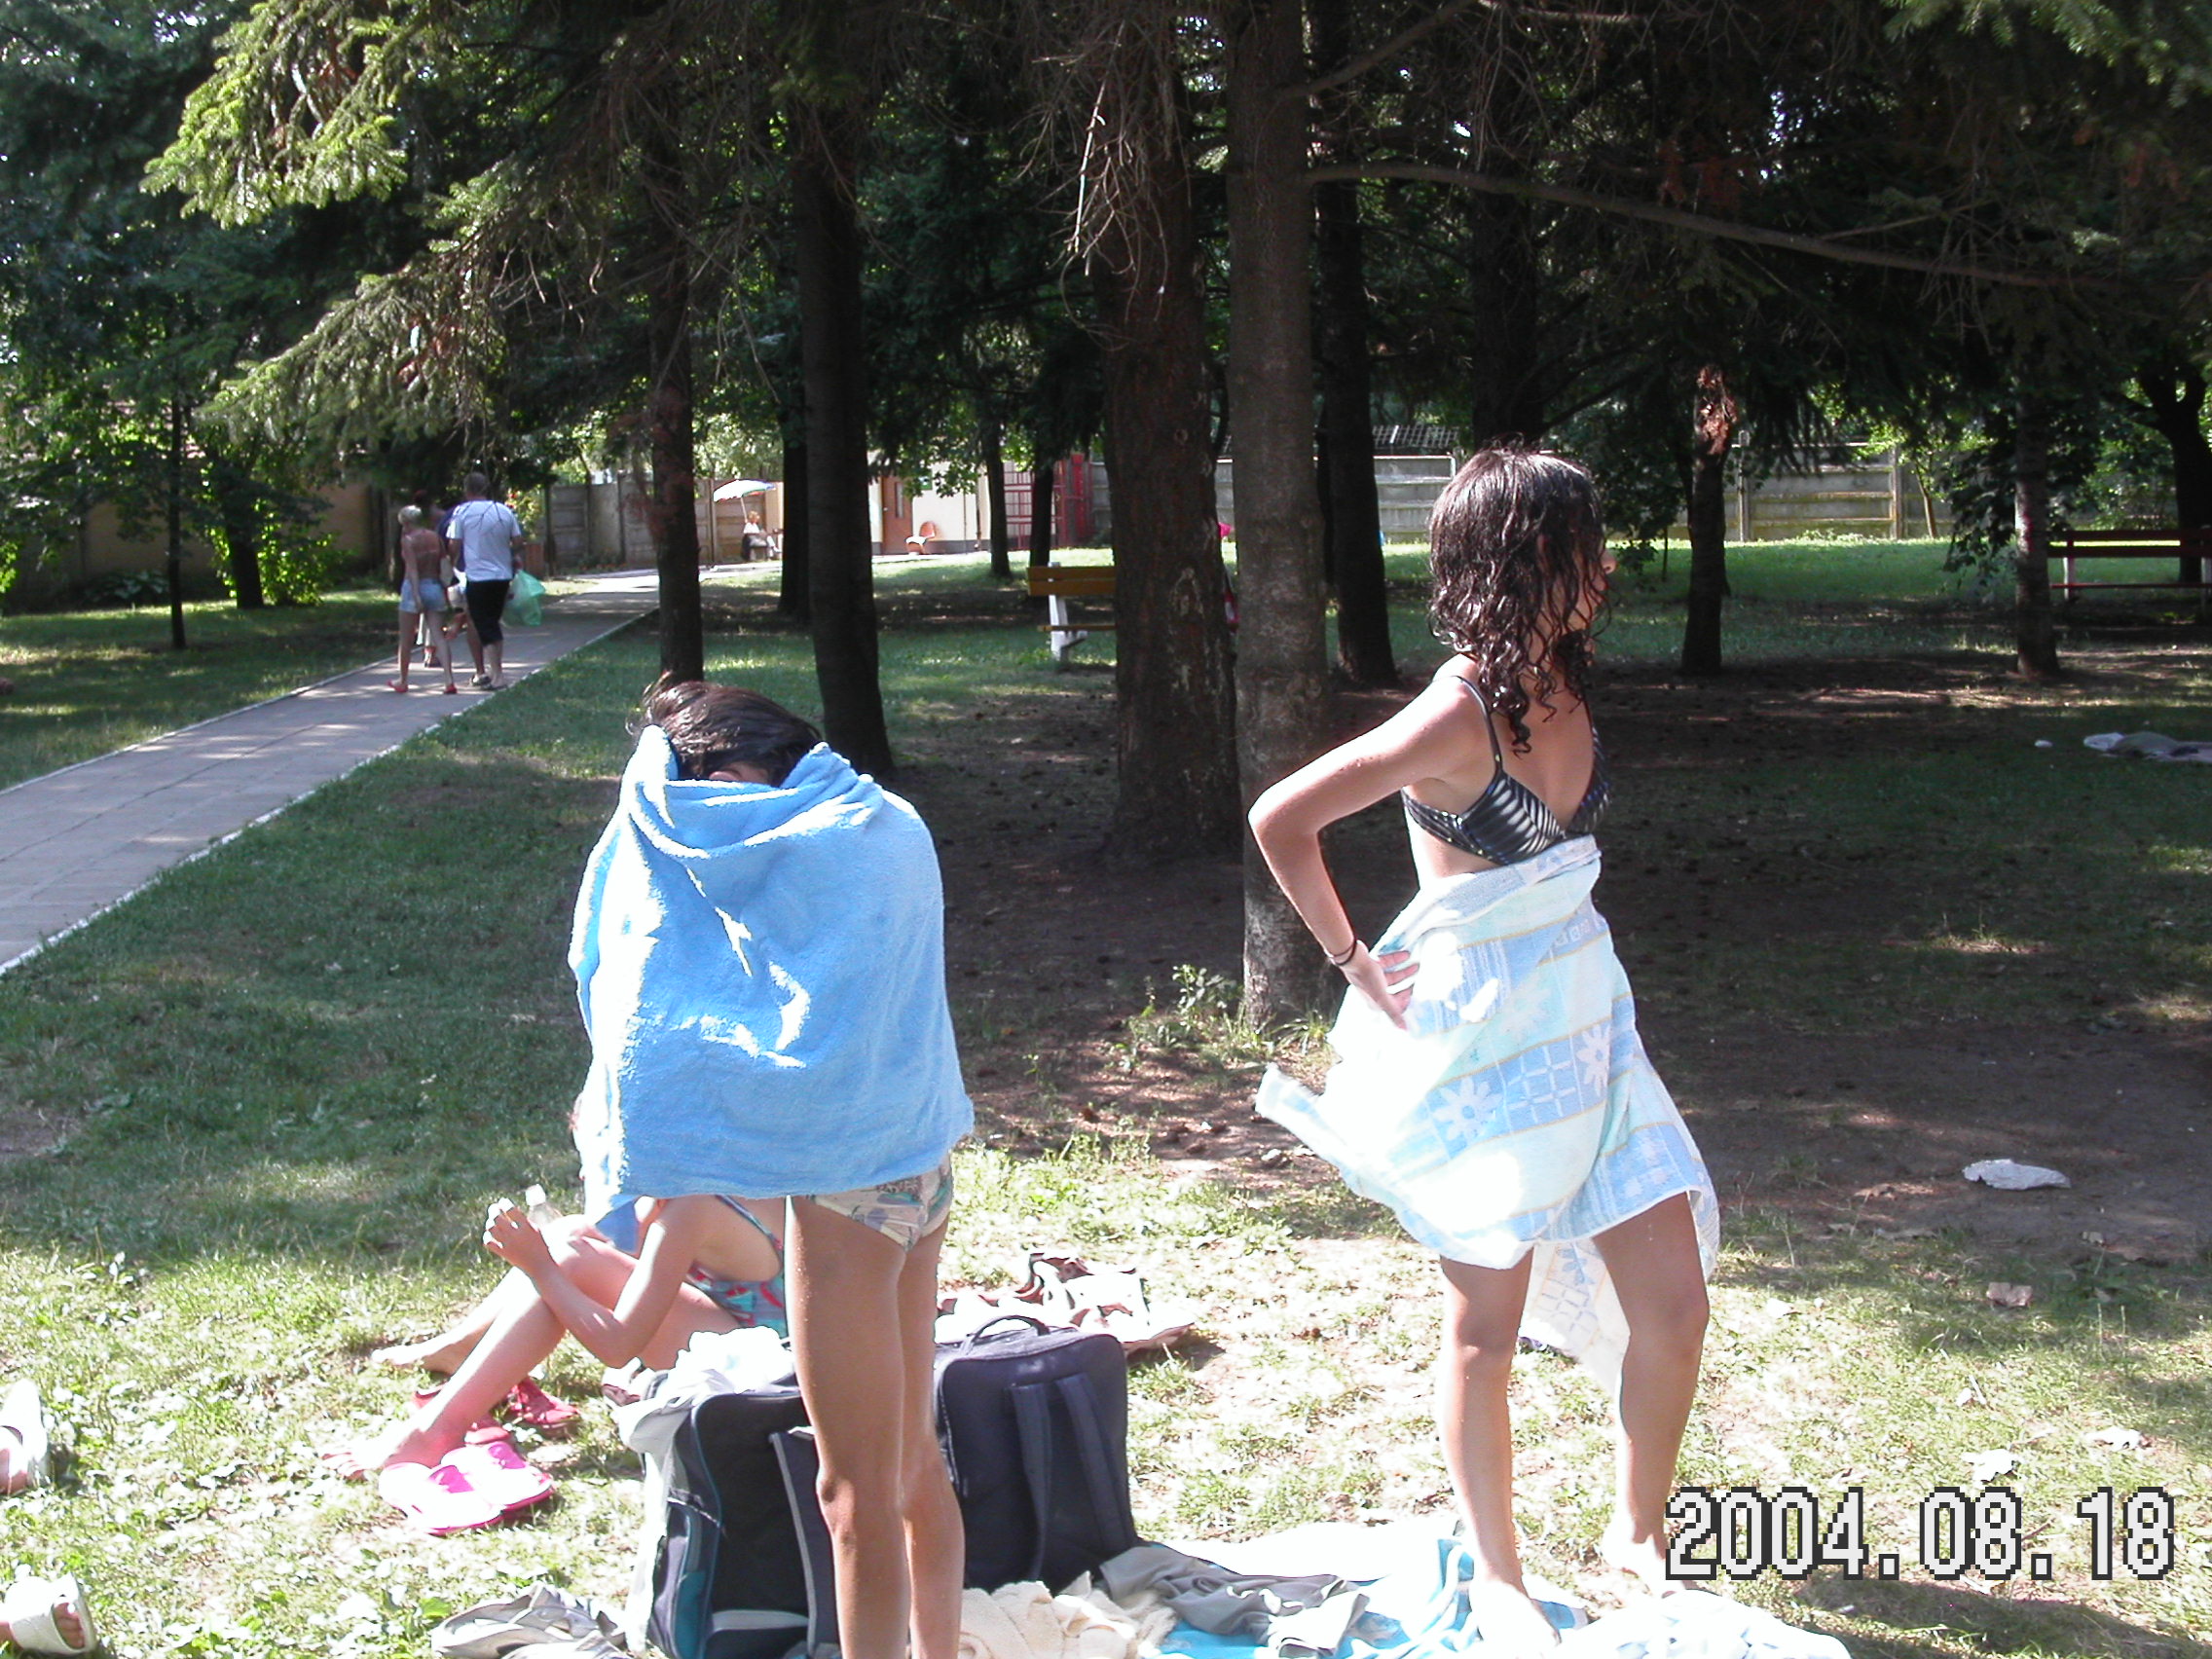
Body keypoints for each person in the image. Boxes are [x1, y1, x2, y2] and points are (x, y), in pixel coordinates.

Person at [1248, 449, 1716, 1653]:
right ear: (1523, 560)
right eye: (1581, 549)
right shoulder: (1455, 711)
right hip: (1484, 1052)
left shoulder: (1560, 678)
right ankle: (1498, 1573)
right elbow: (1281, 816)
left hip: (1590, 1029)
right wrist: (1352, 956)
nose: (1603, 570)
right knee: (1483, 1330)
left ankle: (1636, 1532)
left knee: (1674, 1306)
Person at [569, 681, 971, 1659]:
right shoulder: (884, 824)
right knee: (911, 1462)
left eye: (704, 787)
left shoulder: (789, 842)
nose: (704, 814)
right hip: (919, 1163)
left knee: (851, 1493)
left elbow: (674, 1002)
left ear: (737, 768)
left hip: (848, 1198)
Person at [345, 1193, 786, 1473]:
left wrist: (540, 1267)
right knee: (568, 1232)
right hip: (750, 1334)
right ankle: (460, 1348)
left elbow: (618, 1345)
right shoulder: (696, 1182)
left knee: (567, 1259)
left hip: (771, 1370)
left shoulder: (692, 1207)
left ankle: (436, 1431)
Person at [443, 472, 524, 689]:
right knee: (493, 622)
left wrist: (452, 563)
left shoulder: (462, 512)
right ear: (486, 488)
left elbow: (453, 544)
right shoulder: (503, 510)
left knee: (483, 624)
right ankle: (497, 672)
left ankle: (497, 676)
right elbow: (518, 540)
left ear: (466, 489)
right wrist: (509, 554)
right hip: (502, 576)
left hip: (478, 576)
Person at [389, 505, 458, 695]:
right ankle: (449, 680)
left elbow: (412, 569)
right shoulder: (434, 537)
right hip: (434, 585)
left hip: (414, 588)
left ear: (406, 522)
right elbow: (444, 562)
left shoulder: (408, 540)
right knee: (438, 635)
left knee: (406, 638)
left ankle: (403, 680)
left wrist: (416, 595)